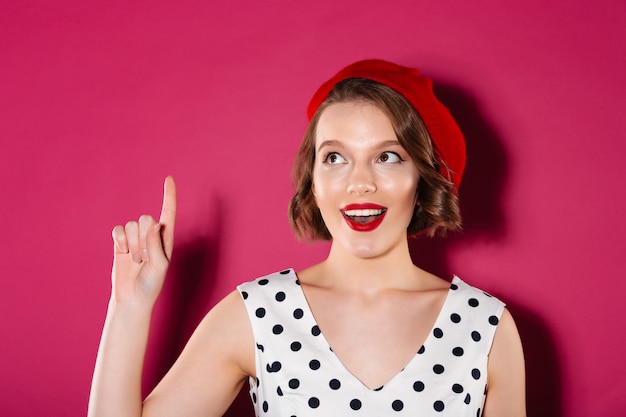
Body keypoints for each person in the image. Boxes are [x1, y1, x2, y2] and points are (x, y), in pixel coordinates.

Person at [88, 59, 526, 416]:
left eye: (388, 157)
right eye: (335, 157)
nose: (360, 183)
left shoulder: (486, 328)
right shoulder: (255, 314)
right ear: (313, 182)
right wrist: (128, 308)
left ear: (422, 179)